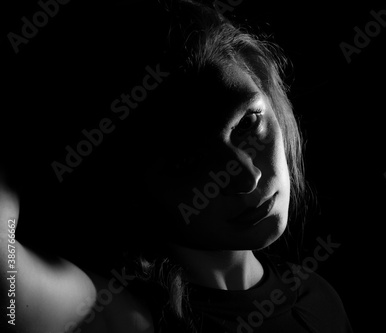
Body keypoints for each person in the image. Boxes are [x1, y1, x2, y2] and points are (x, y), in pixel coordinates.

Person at [0, 0, 353, 332]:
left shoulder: (318, 296)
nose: (248, 176)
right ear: (135, 188)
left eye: (247, 123)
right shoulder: (126, 314)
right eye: (188, 161)